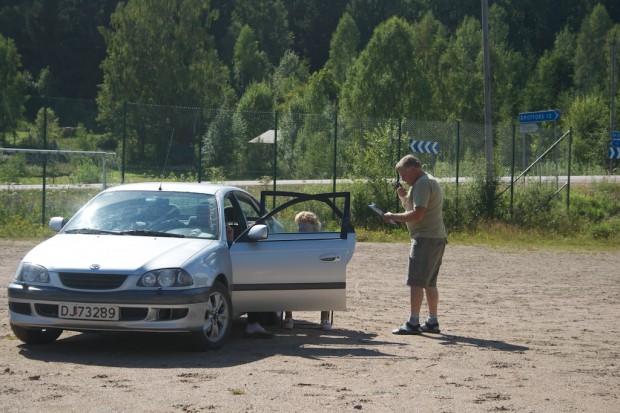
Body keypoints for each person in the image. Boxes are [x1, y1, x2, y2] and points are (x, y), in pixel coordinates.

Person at [383, 155, 447, 335]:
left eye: (403, 174)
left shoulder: (422, 184)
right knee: (429, 283)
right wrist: (404, 198)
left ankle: (413, 322)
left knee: (416, 282)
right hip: (435, 237)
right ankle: (432, 321)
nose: (402, 179)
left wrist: (392, 216)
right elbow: (414, 209)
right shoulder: (425, 182)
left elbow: (417, 215)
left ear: (413, 169)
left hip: (425, 238)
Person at [283, 211, 332, 331]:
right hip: (297, 274)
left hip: (316, 274)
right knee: (285, 281)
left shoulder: (322, 240)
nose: (301, 227)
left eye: (305, 224)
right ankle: (288, 317)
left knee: (327, 283)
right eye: (300, 224)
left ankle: (325, 318)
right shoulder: (293, 240)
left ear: (314, 225)